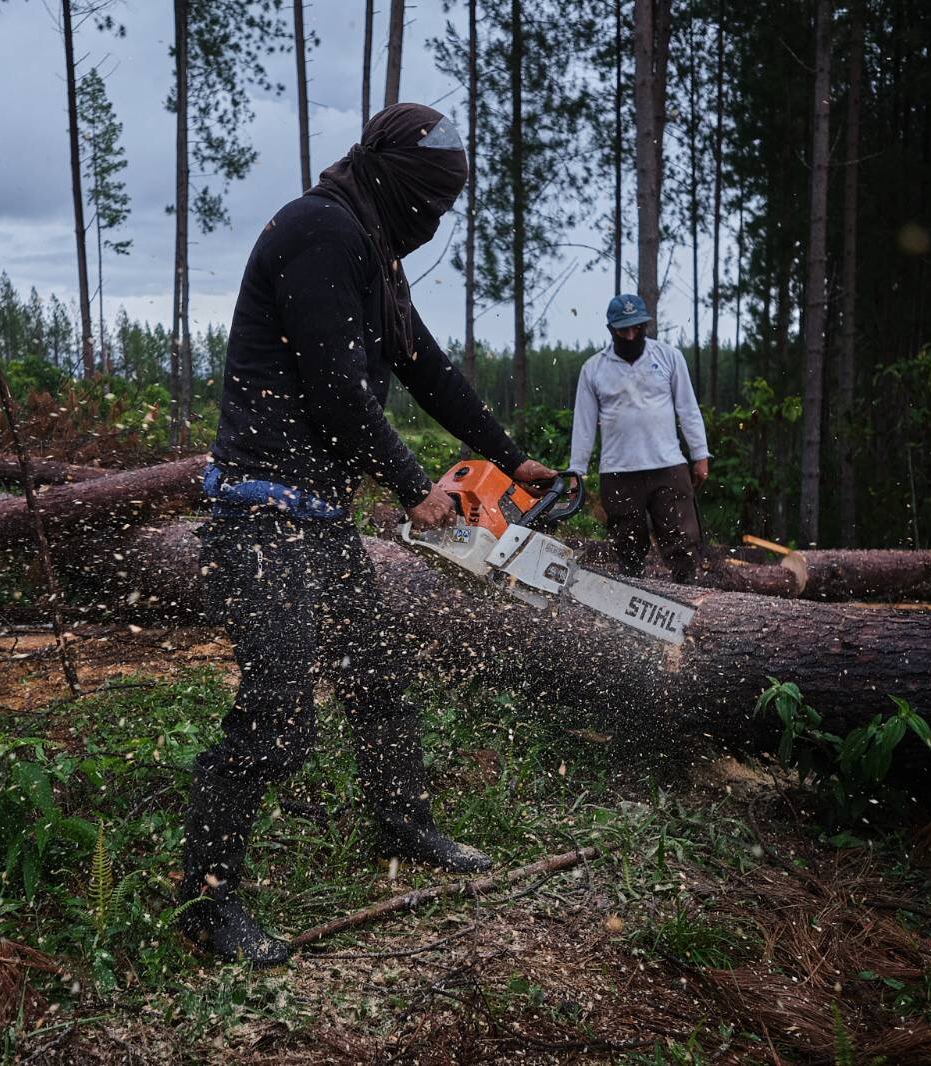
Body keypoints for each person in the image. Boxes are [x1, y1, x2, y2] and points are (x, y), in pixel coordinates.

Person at [184, 103, 557, 966]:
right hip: (259, 512)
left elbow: (426, 369)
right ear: (399, 184)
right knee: (277, 713)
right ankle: (207, 899)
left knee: (378, 678)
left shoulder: (370, 251)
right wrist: (410, 487)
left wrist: (510, 457)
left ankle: (401, 823)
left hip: (315, 516)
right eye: (430, 202)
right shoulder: (321, 233)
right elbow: (335, 392)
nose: (434, 222)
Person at [567, 294, 711, 582]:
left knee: (682, 540)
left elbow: (688, 408)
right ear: (611, 329)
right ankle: (630, 601)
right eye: (624, 330)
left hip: (668, 466)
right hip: (619, 471)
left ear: (645, 326)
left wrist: (700, 454)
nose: (631, 335)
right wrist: (576, 471)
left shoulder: (669, 357)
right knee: (627, 545)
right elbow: (583, 424)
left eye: (636, 328)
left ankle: (691, 601)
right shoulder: (594, 368)